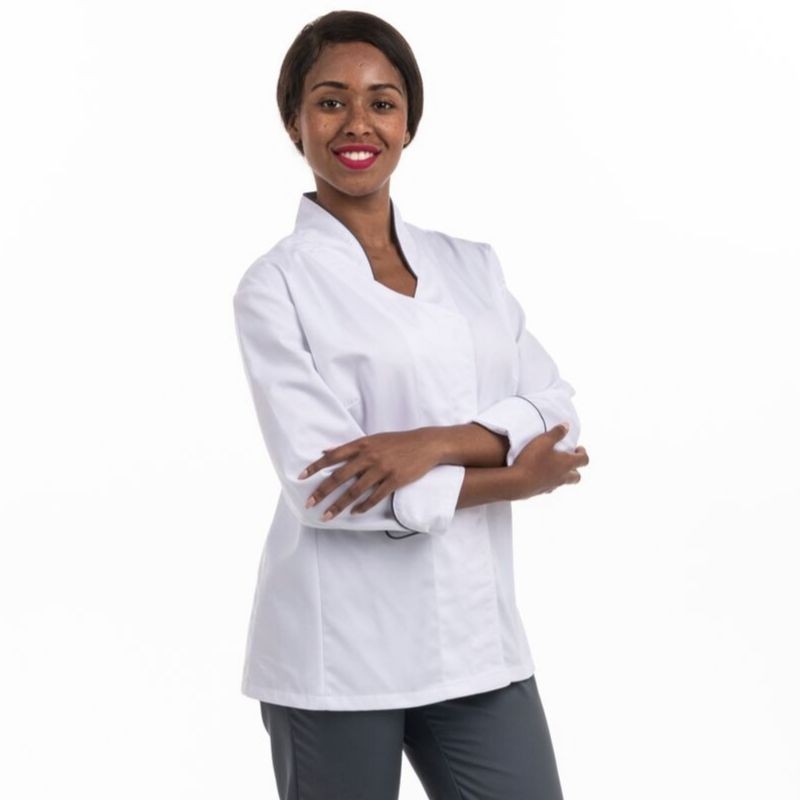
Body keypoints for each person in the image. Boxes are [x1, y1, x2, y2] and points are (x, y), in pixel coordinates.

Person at [232, 10, 590, 799]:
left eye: (382, 102)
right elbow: (324, 489)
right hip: (339, 650)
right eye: (331, 101)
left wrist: (430, 443)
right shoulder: (276, 286)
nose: (358, 124)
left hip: (476, 640)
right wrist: (514, 478)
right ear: (294, 122)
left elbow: (556, 408)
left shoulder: (472, 266)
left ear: (408, 123)